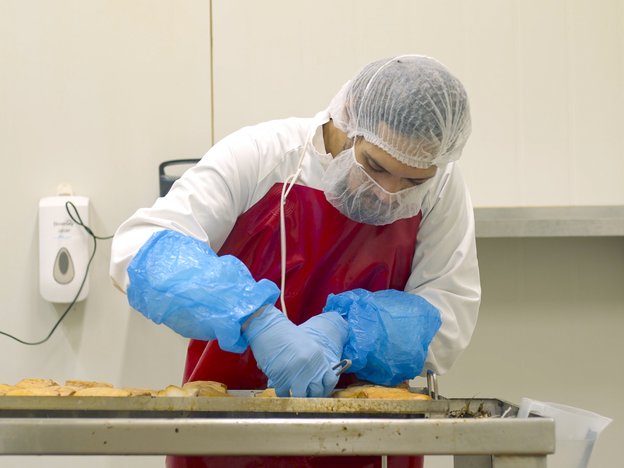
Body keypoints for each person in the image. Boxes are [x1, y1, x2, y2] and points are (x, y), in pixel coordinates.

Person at [110, 55, 480, 468]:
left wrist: (349, 329)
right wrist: (253, 318)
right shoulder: (261, 156)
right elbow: (141, 247)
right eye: (375, 166)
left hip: (369, 442)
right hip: (227, 442)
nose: (388, 193)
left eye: (412, 182)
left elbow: (450, 312)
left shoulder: (442, 187)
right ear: (347, 120)